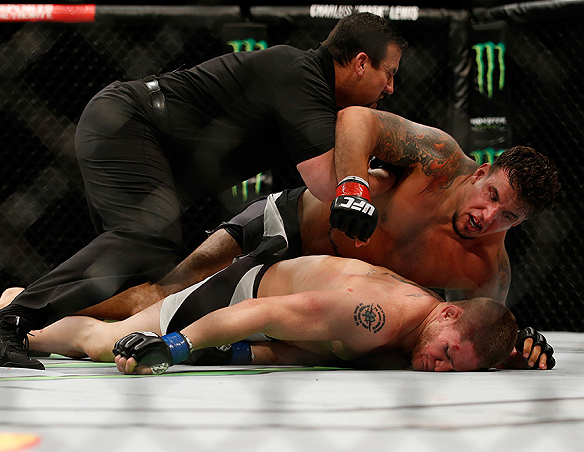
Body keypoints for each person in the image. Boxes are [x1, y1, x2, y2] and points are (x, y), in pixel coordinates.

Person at [0, 13, 408, 369]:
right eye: (387, 74)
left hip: (134, 134)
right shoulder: (301, 73)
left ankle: (11, 315)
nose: (389, 88)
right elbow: (328, 184)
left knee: (141, 266)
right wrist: (387, 165)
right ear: (360, 62)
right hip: (131, 121)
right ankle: (6, 318)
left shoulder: (310, 90)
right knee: (146, 236)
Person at [72, 108, 562, 323]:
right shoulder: (438, 160)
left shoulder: (488, 271)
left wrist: (515, 346)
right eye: (492, 195)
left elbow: (481, 329)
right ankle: (32, 311)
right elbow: (356, 119)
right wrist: (352, 187)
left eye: (509, 218)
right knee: (163, 295)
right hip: (286, 224)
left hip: (313, 291)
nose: (488, 216)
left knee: (186, 323)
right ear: (483, 173)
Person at [0, 254, 555, 373]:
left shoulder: (441, 332)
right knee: (110, 340)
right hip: (240, 294)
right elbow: (268, 311)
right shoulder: (373, 316)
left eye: (454, 369)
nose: (437, 368)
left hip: (280, 327)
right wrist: (175, 348)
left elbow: (304, 347)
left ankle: (18, 310)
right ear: (445, 319)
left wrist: (514, 354)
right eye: (445, 355)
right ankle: (15, 326)